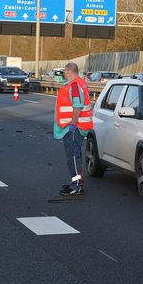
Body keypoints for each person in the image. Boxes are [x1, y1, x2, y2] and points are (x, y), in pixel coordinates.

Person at [54, 62, 93, 196]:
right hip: (73, 127)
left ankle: (77, 185)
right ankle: (75, 182)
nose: (64, 74)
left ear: (68, 71)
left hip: (74, 128)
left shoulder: (75, 85)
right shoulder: (76, 84)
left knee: (73, 155)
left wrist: (73, 124)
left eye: (65, 72)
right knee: (73, 155)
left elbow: (77, 106)